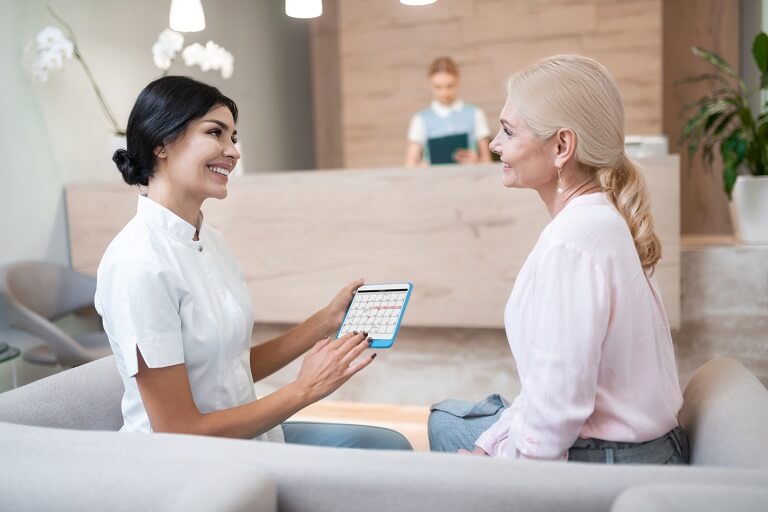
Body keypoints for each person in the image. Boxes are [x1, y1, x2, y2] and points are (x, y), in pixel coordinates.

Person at [97, 76, 411, 450]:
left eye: (233, 137)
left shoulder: (210, 241)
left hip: (250, 440)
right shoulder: (137, 263)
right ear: (161, 143)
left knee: (387, 446)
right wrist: (304, 390)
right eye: (215, 133)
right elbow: (177, 431)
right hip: (188, 465)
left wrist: (326, 320)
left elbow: (231, 365)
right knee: (382, 454)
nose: (233, 151)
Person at [427, 55, 688, 464]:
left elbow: (553, 415)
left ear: (562, 146)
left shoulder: (572, 242)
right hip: (642, 448)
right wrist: (491, 442)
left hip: (613, 461)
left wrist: (495, 466)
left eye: (508, 131)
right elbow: (548, 393)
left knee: (444, 425)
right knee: (448, 420)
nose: (494, 144)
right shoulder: (598, 219)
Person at [404, 57, 492, 167]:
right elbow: (410, 165)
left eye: (449, 86)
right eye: (438, 87)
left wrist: (476, 162)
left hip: (469, 179)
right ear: (430, 85)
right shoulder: (420, 119)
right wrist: (424, 166)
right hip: (433, 181)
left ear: (458, 81)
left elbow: (487, 161)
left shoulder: (476, 113)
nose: (444, 92)